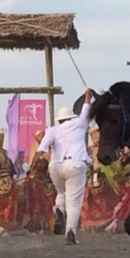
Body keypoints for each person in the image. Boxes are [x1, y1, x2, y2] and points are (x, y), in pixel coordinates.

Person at [34, 88, 93, 245]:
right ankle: (70, 233)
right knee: (73, 202)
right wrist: (88, 96)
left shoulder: (52, 130)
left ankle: (58, 209)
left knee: (61, 192)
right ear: (70, 118)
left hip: (56, 166)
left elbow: (42, 148)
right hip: (75, 165)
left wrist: (34, 162)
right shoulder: (79, 123)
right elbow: (86, 110)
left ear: (60, 119)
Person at [21, 130, 56, 233]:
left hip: (41, 183)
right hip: (31, 182)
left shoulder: (50, 154)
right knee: (31, 205)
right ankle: (34, 226)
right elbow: (32, 167)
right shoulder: (37, 154)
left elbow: (51, 169)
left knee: (42, 205)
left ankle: (44, 226)